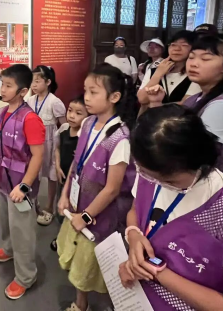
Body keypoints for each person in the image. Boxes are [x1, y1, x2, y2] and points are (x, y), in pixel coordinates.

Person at [119, 105, 223, 311]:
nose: (153, 182)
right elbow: (136, 210)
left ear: (198, 162)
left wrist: (157, 271)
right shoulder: (152, 169)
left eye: (169, 181)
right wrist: (133, 235)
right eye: (144, 172)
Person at [56, 64, 136, 311]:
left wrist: (86, 216)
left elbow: (112, 189)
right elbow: (76, 163)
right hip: (78, 206)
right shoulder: (88, 123)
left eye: (93, 92)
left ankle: (106, 305)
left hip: (99, 216)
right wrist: (64, 193)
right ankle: (81, 303)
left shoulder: (120, 138)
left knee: (95, 264)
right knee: (78, 260)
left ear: (114, 97)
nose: (87, 98)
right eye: (85, 91)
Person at [0, 64, 45, 300]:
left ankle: (25, 276)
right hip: (2, 182)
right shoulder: (1, 113)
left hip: (20, 187)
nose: (2, 89)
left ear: (23, 91)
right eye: (2, 84)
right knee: (5, 223)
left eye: (8, 85)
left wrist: (24, 186)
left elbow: (38, 156)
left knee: (22, 232)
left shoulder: (30, 119)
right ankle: (9, 248)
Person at [178, 34, 223, 187]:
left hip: (207, 189)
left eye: (205, 59)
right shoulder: (197, 97)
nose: (194, 64)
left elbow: (193, 153)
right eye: (191, 57)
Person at [27, 65, 66, 226]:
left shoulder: (55, 102)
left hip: (50, 142)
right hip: (33, 142)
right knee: (33, 172)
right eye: (32, 81)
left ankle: (50, 207)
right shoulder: (30, 100)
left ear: (48, 82)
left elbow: (64, 127)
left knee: (51, 174)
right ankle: (34, 202)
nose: (34, 85)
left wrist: (63, 148)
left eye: (37, 81)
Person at [50, 95, 89, 251]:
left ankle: (69, 239)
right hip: (63, 175)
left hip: (77, 182)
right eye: (70, 110)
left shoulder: (85, 136)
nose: (72, 116)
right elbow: (57, 148)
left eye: (78, 113)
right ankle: (61, 235)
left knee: (74, 209)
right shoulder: (64, 129)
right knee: (61, 205)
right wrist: (58, 166)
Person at [138, 30, 200, 108]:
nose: (177, 48)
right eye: (173, 45)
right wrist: (158, 74)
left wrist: (154, 105)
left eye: (184, 45)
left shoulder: (195, 74)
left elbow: (186, 104)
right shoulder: (153, 71)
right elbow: (142, 99)